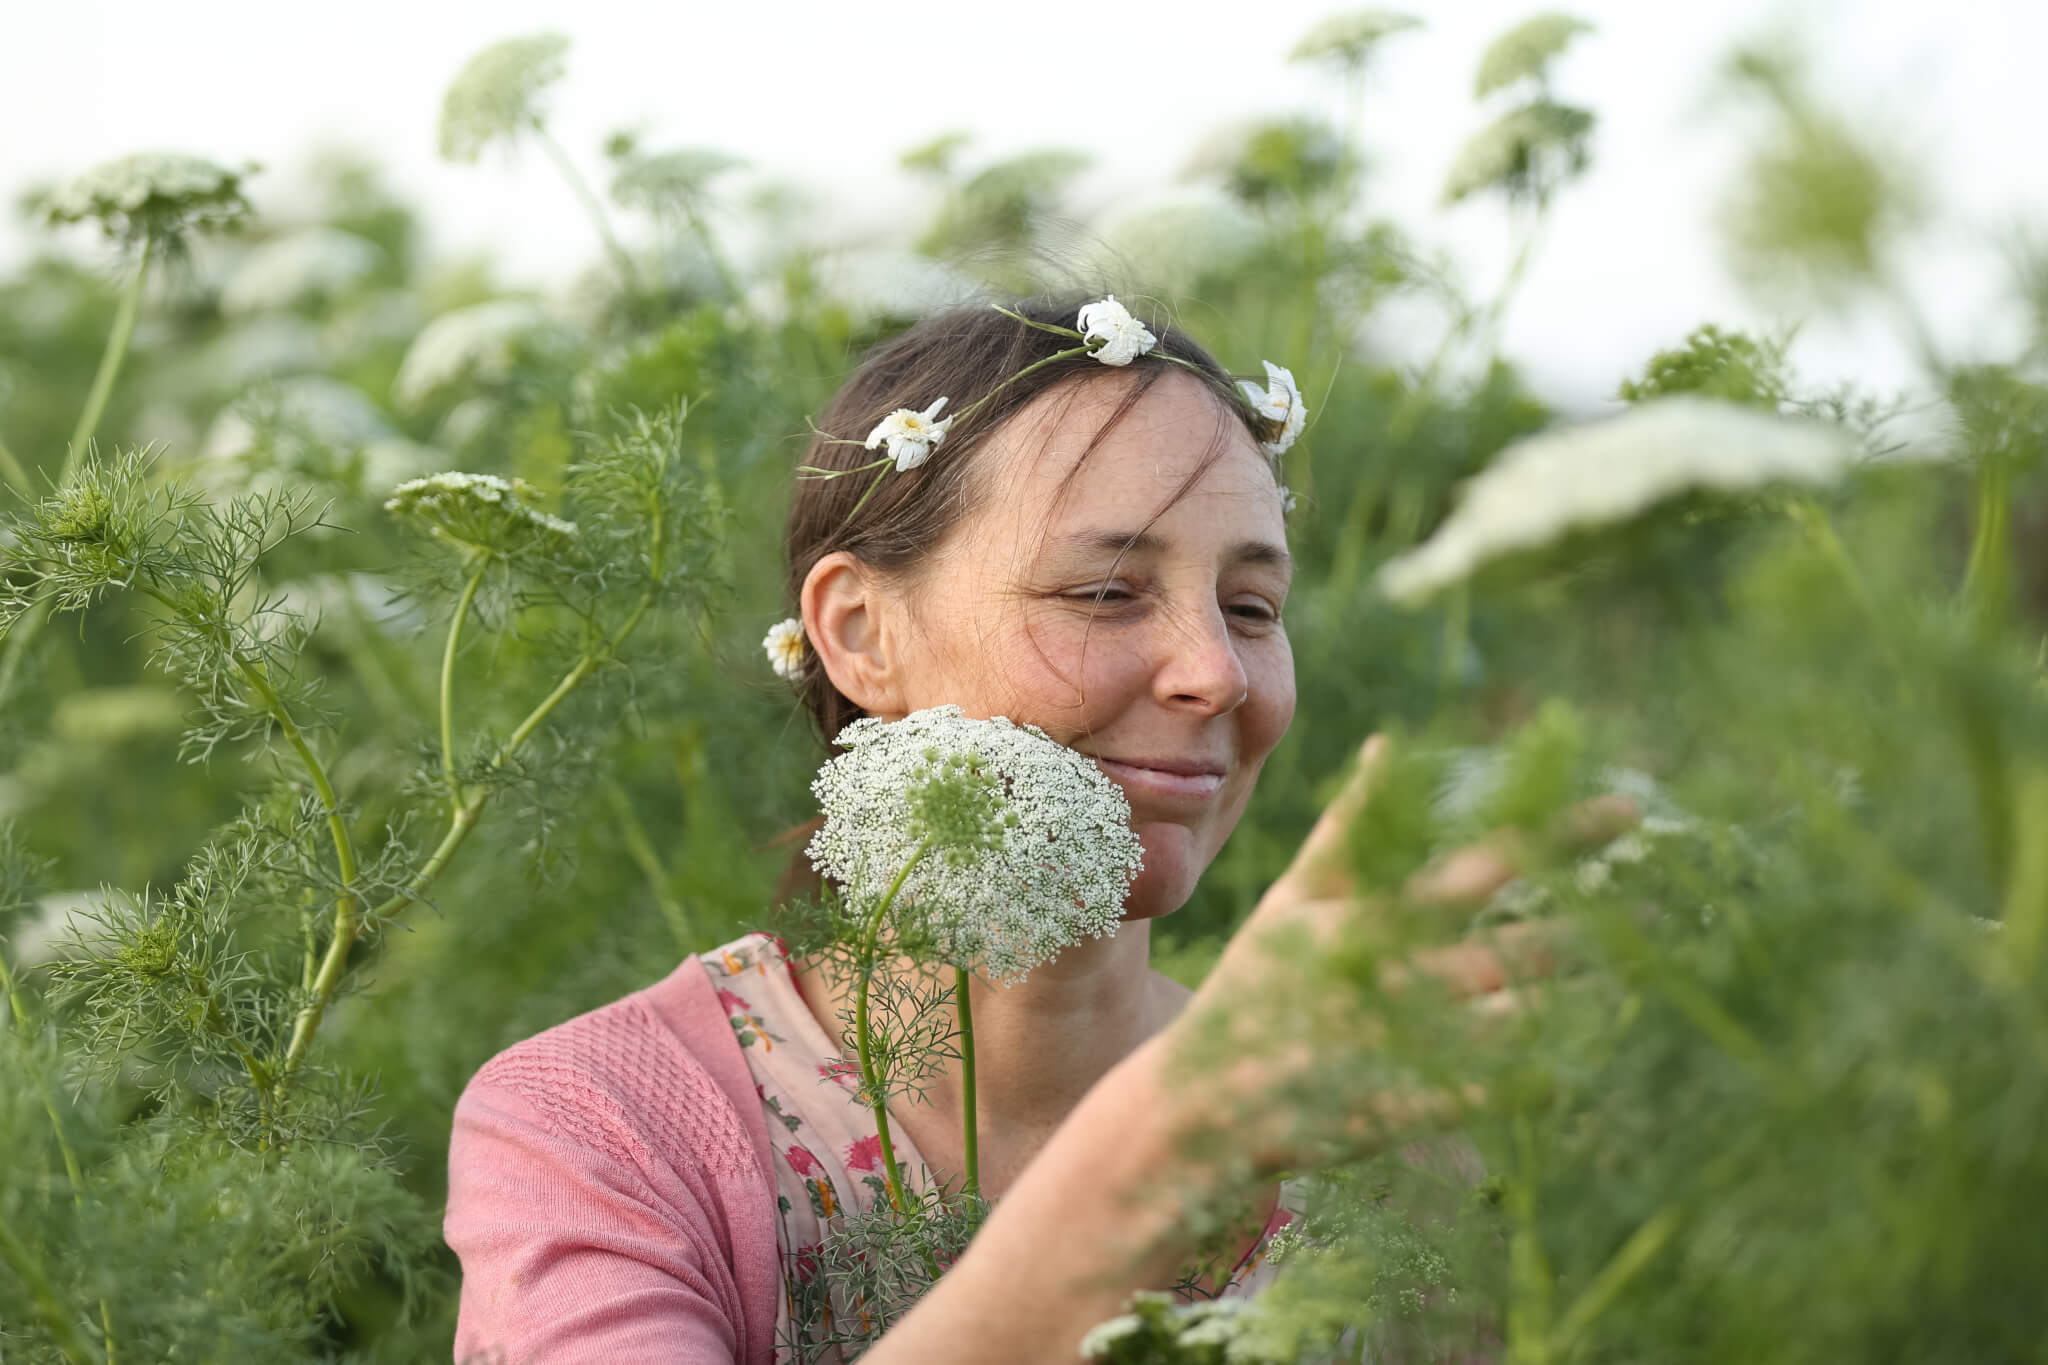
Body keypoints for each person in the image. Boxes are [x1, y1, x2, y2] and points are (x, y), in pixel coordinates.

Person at [444, 294, 1542, 1364]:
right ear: (861, 632)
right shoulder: (605, 1126)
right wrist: (1169, 1145)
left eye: (1250, 607)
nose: (1213, 673)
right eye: (1105, 592)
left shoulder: (1386, 1166)